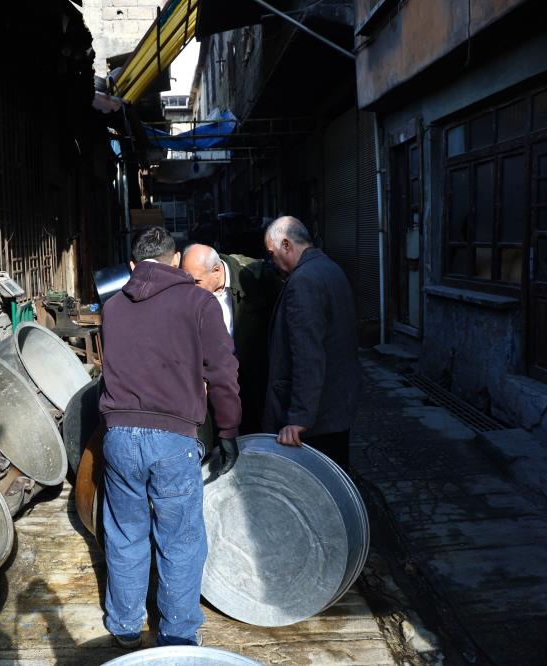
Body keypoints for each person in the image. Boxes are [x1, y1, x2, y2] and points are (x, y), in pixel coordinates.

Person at [98, 225, 241, 648]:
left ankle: (125, 624)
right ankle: (176, 632)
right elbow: (223, 372)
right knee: (179, 539)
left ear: (132, 265)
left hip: (119, 436)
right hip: (173, 439)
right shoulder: (200, 303)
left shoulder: (112, 307)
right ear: (175, 260)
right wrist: (228, 429)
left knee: (125, 533)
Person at [263, 216, 360, 471]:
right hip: (335, 408)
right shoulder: (330, 267)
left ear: (286, 245)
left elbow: (308, 355)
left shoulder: (304, 281)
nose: (271, 261)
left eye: (271, 253)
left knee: (317, 488)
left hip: (317, 420)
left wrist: (299, 417)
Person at [181, 244, 279, 434]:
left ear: (217, 271)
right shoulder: (189, 293)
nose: (191, 288)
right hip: (214, 381)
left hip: (254, 378)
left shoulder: (254, 278)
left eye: (197, 281)